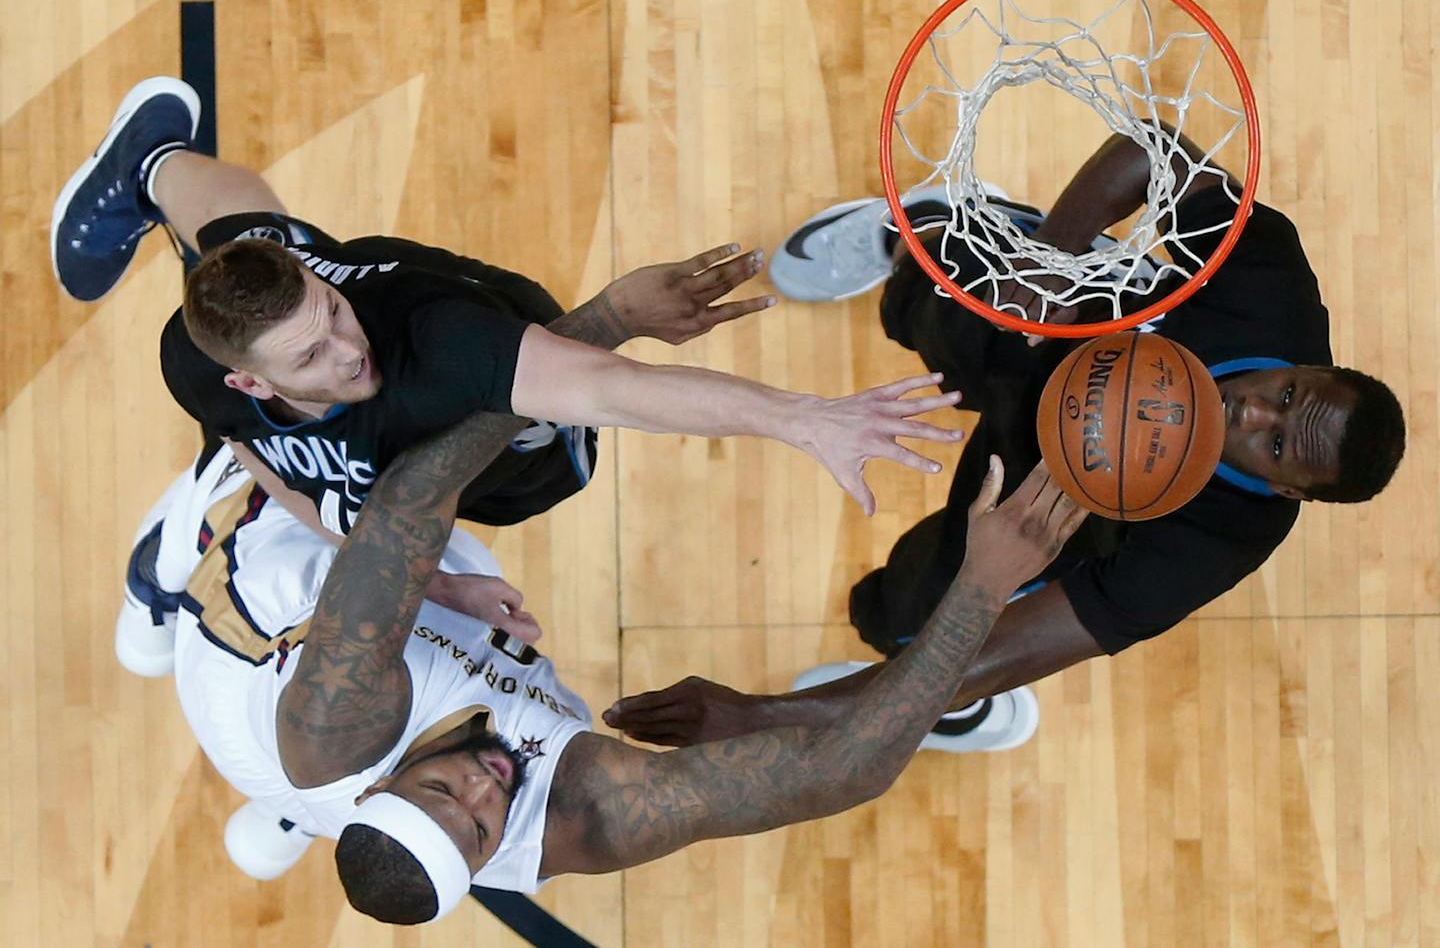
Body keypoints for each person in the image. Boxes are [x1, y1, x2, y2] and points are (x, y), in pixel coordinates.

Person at [54, 78, 966, 673]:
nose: (346, 345)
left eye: (330, 310)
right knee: (242, 232)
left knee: (269, 242)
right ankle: (154, 163)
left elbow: (617, 392)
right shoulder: (205, 367)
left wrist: (806, 419)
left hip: (505, 350)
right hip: (354, 429)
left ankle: (159, 165)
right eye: (308, 354)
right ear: (251, 385)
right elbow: (267, 461)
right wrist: (438, 584)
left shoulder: (441, 349)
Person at [604, 126, 1408, 755]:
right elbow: (1152, 149)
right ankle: (932, 233)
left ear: (1288, 490)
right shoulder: (1272, 288)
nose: (1252, 413)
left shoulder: (1217, 543)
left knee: (922, 618)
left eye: (1274, 446)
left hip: (1049, 489)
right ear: (1306, 361)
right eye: (1288, 393)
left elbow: (991, 649)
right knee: (934, 301)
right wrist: (1050, 262)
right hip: (1054, 325)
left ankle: (931, 700)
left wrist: (768, 715)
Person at [145, 391, 1085, 923]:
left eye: (442, 795)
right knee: (394, 576)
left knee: (335, 466)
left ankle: (158, 601)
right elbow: (840, 771)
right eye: (478, 828)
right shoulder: (577, 823)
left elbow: (399, 511)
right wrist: (982, 589)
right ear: (487, 862)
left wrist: (565, 358)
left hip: (249, 601)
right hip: (327, 672)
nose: (484, 790)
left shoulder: (343, 719)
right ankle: (282, 802)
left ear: (385, 783)